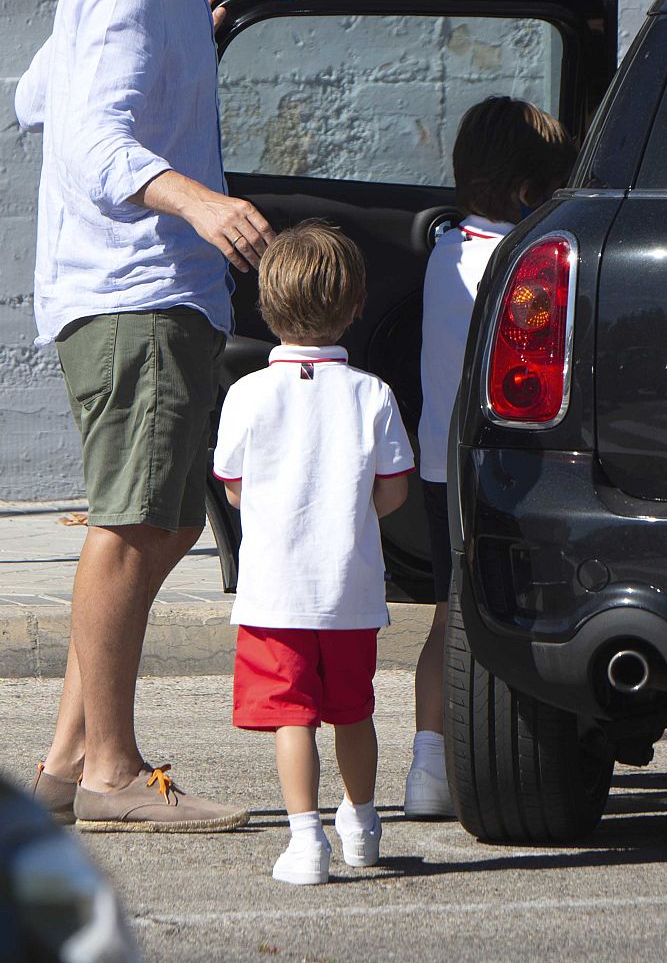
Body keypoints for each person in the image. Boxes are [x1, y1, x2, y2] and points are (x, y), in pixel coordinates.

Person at [15, 0, 279, 832]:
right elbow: (87, 145)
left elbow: (38, 96)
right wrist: (199, 202)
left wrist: (181, 43)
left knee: (162, 523)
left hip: (152, 293)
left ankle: (66, 761)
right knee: (135, 526)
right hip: (135, 292)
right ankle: (112, 775)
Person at [213, 221, 415, 884]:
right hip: (350, 592)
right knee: (354, 711)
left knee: (292, 718)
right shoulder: (373, 393)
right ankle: (361, 824)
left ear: (265, 306)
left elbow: (235, 491)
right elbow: (393, 491)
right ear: (356, 305)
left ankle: (306, 840)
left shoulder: (245, 394)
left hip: (274, 594)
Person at [404, 96, 577, 819]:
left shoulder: (447, 251)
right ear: (532, 193)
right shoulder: (520, 267)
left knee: (451, 615)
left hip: (443, 468)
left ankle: (429, 764)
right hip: (504, 468)